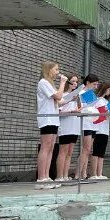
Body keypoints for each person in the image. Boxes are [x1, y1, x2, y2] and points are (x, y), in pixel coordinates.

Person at [36, 61, 67, 189]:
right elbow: (59, 96)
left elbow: (59, 102)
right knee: (45, 147)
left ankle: (46, 176)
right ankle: (41, 179)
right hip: (47, 119)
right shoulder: (43, 82)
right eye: (56, 69)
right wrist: (63, 82)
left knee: (51, 148)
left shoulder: (50, 84)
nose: (57, 72)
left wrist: (72, 97)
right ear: (49, 70)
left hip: (54, 119)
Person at [55, 74, 82, 182]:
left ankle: (65, 175)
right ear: (68, 83)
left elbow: (79, 109)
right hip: (65, 126)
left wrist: (78, 106)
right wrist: (71, 111)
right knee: (63, 151)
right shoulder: (63, 95)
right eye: (73, 81)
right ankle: (59, 176)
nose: (75, 84)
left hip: (74, 126)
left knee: (70, 152)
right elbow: (58, 112)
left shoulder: (76, 97)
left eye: (76, 82)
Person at [76, 74, 100, 180]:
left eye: (97, 85)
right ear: (87, 83)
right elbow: (81, 107)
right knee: (85, 149)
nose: (96, 87)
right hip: (85, 122)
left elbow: (94, 107)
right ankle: (78, 174)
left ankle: (84, 173)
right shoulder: (81, 92)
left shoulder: (91, 94)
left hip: (93, 123)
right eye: (94, 84)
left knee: (88, 149)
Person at [89, 83, 110, 180]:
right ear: (105, 89)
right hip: (98, 128)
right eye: (109, 89)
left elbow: (108, 115)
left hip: (105, 129)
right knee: (96, 152)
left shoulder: (106, 101)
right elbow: (99, 113)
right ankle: (93, 174)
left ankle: (99, 173)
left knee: (101, 153)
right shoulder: (98, 100)